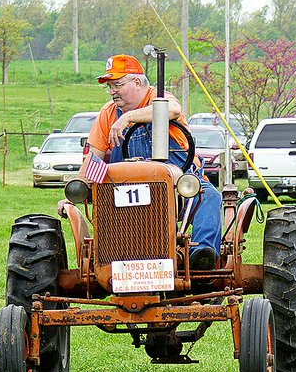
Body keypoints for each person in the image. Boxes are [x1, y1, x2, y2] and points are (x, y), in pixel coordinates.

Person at [59, 54, 221, 269]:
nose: (112, 91)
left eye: (117, 84)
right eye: (109, 86)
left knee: (209, 196)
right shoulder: (108, 113)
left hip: (178, 189)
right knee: (103, 203)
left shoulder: (160, 98)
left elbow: (173, 110)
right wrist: (74, 193)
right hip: (126, 189)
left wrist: (128, 118)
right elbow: (94, 157)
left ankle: (201, 254)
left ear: (137, 82)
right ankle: (112, 260)